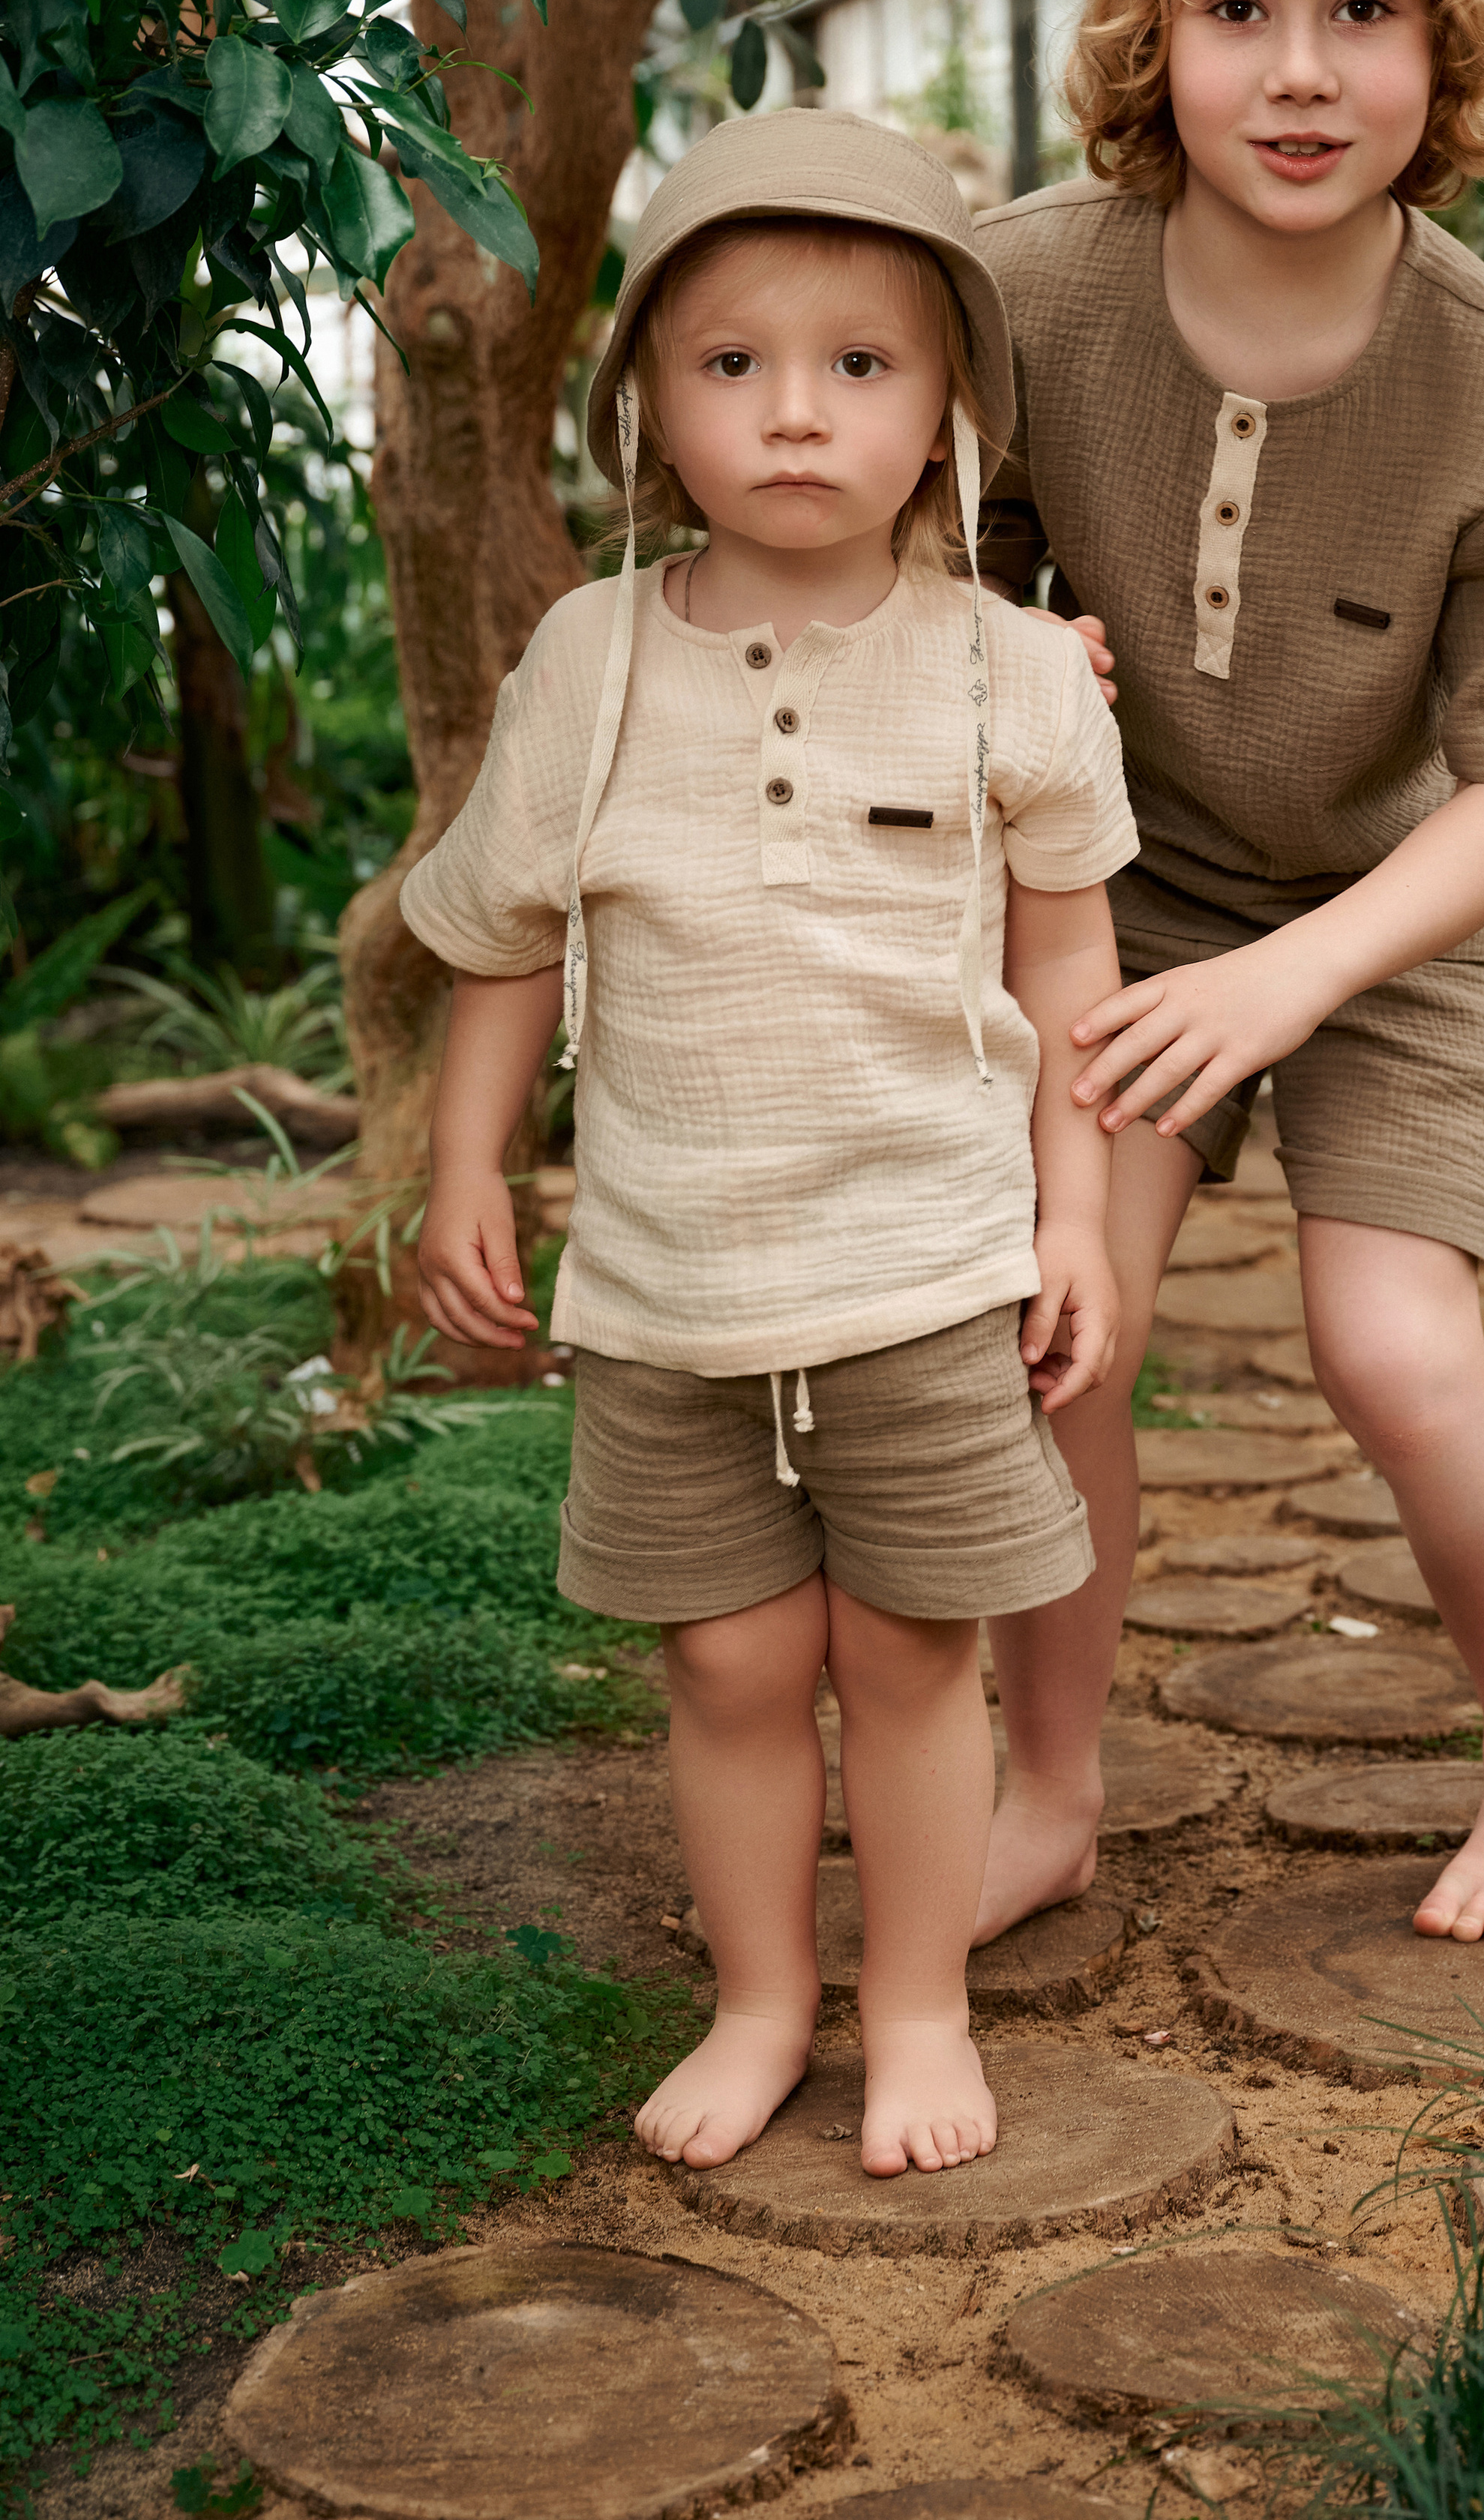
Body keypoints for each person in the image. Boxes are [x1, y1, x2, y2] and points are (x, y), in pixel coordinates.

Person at [401, 111, 1135, 2177]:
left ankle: (916, 2007)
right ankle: (761, 1998)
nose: (795, 413)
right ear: (651, 395)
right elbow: (500, 944)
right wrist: (476, 1172)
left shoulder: (1009, 676)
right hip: (669, 1277)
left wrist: (1076, 1213)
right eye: (732, 363)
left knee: (910, 1651)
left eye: (861, 366)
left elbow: (1072, 969)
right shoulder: (589, 664)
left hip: (926, 1259)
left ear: (948, 413)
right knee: (726, 1661)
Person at [971, 0, 1484, 1951]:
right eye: (1238, 6)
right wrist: (995, 640)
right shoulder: (1022, 293)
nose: (1300, 72)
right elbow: (898, 542)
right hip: (1118, 896)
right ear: (1150, 36)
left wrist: (1299, 972)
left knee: (1394, 1349)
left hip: (1397, 911)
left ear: (1447, 57)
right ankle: (1046, 1784)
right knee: (1064, 1330)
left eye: (1366, 14)